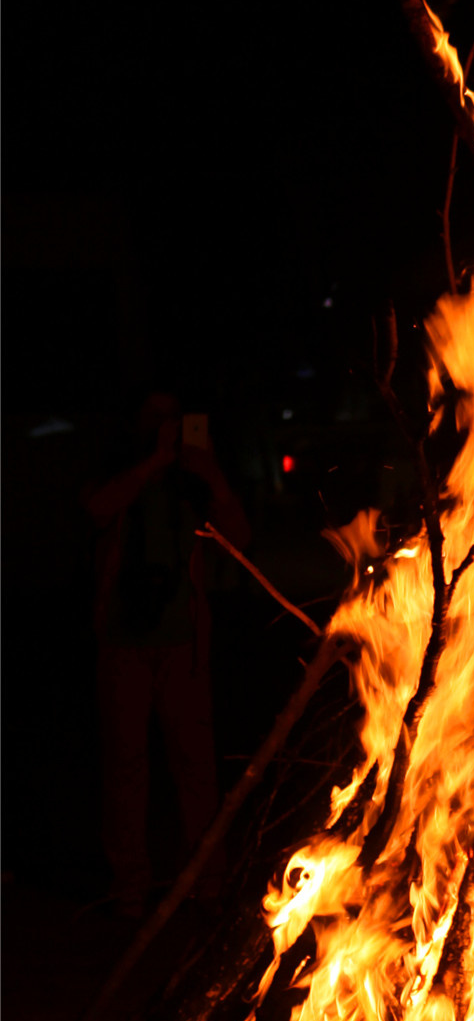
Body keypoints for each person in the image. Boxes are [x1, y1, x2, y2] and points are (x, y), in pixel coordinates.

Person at [84, 391, 251, 922]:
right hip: (123, 644)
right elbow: (95, 508)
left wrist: (211, 476)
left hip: (183, 647)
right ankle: (130, 888)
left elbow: (240, 538)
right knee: (126, 769)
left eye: (173, 418)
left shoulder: (193, 481)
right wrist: (152, 463)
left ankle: (207, 883)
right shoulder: (122, 471)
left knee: (195, 765)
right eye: (154, 417)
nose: (165, 427)